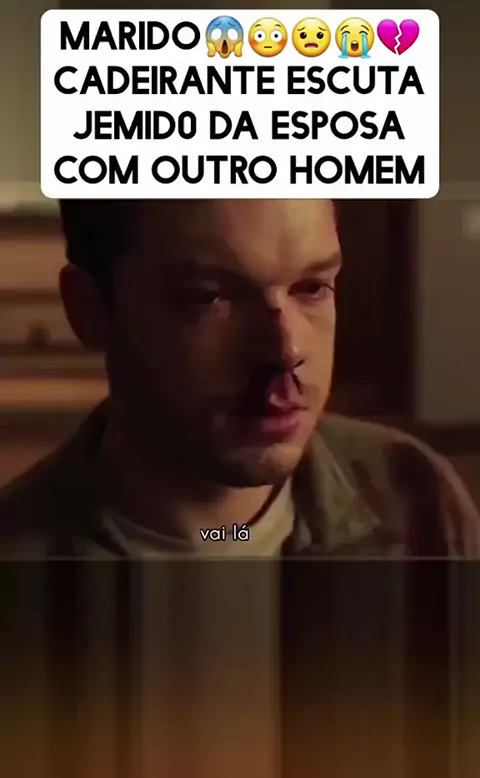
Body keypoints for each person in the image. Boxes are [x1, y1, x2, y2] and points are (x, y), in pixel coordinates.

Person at [0, 197, 479, 558]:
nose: (286, 350)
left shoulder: (418, 498)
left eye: (312, 288)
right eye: (210, 298)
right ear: (89, 309)